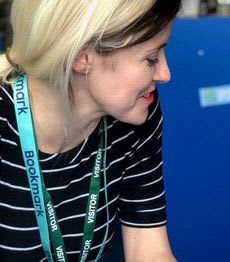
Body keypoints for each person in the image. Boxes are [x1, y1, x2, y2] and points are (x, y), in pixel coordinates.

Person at [0, 0, 181, 261]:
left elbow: (149, 250)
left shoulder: (136, 116)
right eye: (151, 58)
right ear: (82, 57)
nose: (165, 74)